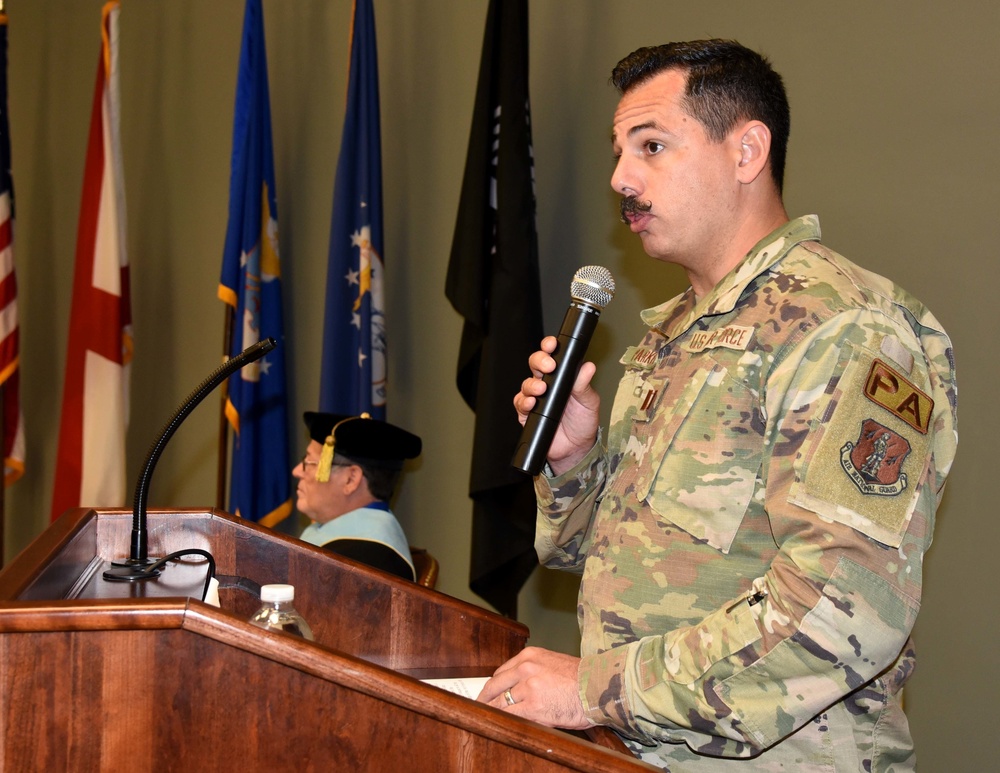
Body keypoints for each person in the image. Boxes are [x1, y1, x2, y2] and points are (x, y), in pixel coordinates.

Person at [477, 40, 958, 772]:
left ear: (746, 151)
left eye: (651, 146)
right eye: (618, 152)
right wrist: (574, 462)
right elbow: (612, 563)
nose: (621, 178)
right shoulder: (668, 339)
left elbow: (844, 606)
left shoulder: (845, 325)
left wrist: (594, 690)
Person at [293, 411, 421, 582]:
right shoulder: (344, 545)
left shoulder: (367, 563)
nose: (297, 471)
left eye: (309, 462)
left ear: (351, 479)